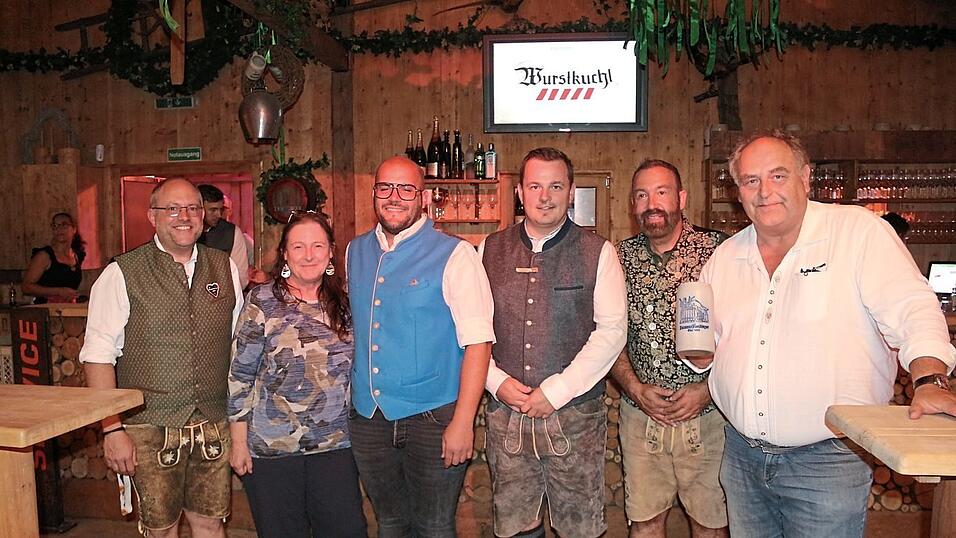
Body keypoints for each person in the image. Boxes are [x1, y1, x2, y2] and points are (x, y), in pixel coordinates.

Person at [688, 130, 956, 537]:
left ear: (805, 177)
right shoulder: (724, 258)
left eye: (778, 176)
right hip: (743, 457)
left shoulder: (857, 232)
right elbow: (709, 345)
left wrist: (930, 380)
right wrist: (700, 356)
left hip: (829, 460)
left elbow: (913, 310)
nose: (765, 191)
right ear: (737, 191)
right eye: (751, 180)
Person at [79, 179, 243, 538]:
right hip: (148, 425)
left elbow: (236, 346)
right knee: (161, 529)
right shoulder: (121, 273)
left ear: (203, 216)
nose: (184, 216)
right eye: (172, 209)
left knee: (211, 523)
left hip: (213, 421)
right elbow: (98, 356)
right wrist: (112, 429)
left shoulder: (225, 268)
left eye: (193, 208)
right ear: (152, 216)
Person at [480, 147, 627, 538]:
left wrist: (558, 390)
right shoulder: (488, 250)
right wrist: (496, 382)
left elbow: (612, 332)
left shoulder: (599, 252)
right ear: (519, 192)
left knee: (579, 527)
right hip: (506, 414)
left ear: (571, 191)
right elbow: (471, 330)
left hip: (575, 418)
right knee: (515, 526)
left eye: (556, 186)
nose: (544, 196)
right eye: (535, 186)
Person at [346, 155, 495, 537]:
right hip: (370, 419)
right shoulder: (354, 251)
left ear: (423, 197)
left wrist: (463, 422)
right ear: (374, 193)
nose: (394, 197)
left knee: (434, 526)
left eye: (406, 189)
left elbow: (479, 343)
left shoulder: (456, 254)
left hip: (433, 419)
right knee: (391, 523)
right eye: (385, 187)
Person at [228, 211, 367, 538]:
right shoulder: (262, 301)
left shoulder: (347, 302)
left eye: (318, 246)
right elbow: (240, 375)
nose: (308, 255)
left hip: (336, 446)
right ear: (285, 254)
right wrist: (238, 443)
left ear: (331, 252)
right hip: (273, 449)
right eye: (298, 246)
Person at [612, 160, 729, 538]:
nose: (652, 204)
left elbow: (745, 334)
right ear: (632, 204)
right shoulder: (617, 258)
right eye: (642, 195)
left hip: (709, 418)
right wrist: (635, 389)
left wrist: (708, 390)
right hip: (640, 416)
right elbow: (608, 336)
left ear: (681, 197)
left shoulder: (720, 251)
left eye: (661, 192)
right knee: (645, 525)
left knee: (710, 526)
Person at [22, 212, 86, 303]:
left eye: (64, 225)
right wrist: (58, 291)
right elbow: (26, 287)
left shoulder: (77, 256)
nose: (59, 229)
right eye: (55, 226)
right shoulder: (44, 256)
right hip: (46, 308)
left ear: (74, 229)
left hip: (68, 308)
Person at [198, 184, 249, 289]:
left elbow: (241, 277)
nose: (218, 215)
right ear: (198, 208)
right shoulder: (183, 232)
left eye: (220, 209)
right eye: (213, 210)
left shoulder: (232, 232)